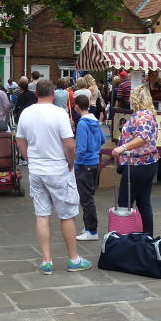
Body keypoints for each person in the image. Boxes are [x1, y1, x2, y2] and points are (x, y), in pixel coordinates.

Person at [15, 78, 92, 275]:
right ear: (53, 94)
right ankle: (73, 259)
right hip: (58, 168)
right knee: (67, 215)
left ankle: (47, 261)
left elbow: (20, 141)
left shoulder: (26, 113)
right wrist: (71, 162)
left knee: (42, 215)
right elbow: (69, 144)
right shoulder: (59, 113)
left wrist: (29, 159)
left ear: (36, 94)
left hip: (37, 170)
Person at [111, 84, 159, 236]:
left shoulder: (141, 116)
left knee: (124, 204)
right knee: (144, 203)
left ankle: (125, 239)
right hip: (148, 163)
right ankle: (147, 238)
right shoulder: (149, 114)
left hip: (137, 165)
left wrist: (123, 147)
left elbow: (142, 138)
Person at [73, 94, 105, 242]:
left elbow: (81, 148)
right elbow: (103, 139)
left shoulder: (82, 124)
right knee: (89, 197)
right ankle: (89, 228)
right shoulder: (95, 121)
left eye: (74, 105)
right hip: (95, 162)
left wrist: (77, 164)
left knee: (86, 199)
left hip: (84, 164)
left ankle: (92, 230)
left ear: (78, 107)